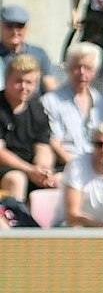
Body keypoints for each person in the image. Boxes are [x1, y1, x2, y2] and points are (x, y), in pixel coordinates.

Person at [40, 44, 103, 166]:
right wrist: (80, 168)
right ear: (68, 68)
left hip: (101, 165)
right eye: (77, 67)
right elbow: (55, 143)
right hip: (68, 165)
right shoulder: (51, 101)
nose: (82, 72)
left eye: (87, 68)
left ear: (95, 71)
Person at [0, 55, 58, 203]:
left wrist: (43, 169)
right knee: (17, 179)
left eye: (29, 82)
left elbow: (43, 147)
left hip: (30, 167)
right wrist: (30, 170)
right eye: (18, 81)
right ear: (7, 80)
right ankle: (18, 222)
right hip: (6, 168)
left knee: (60, 180)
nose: (24, 87)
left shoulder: (37, 108)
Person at [0, 6, 58, 94]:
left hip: (34, 105)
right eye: (9, 26)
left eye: (20, 26)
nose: (15, 31)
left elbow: (50, 85)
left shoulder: (39, 54)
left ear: (26, 28)